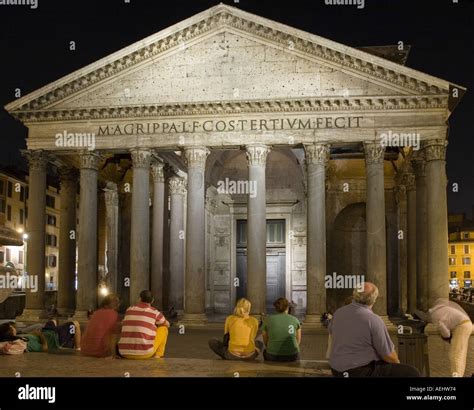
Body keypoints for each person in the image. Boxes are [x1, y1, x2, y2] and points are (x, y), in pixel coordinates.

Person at [329, 282, 420, 377]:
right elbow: (388, 355)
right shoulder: (373, 319)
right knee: (411, 372)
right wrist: (396, 363)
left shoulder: (338, 313)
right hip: (359, 371)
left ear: (354, 295)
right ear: (374, 299)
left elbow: (331, 331)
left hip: (336, 369)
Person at [415, 298, 473, 377]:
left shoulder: (434, 315)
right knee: (460, 351)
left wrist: (445, 337)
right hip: (465, 324)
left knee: (456, 353)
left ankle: (456, 374)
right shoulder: (439, 309)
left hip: (461, 326)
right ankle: (459, 373)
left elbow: (445, 331)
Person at [118, 290, 170, 359]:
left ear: (139, 299)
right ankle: (158, 355)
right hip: (144, 353)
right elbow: (167, 324)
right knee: (163, 328)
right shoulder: (154, 312)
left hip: (123, 352)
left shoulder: (129, 309)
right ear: (152, 301)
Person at [0, 320, 81, 352]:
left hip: (48, 331)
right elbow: (45, 348)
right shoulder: (24, 343)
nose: (14, 328)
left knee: (53, 321)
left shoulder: (18, 337)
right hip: (55, 337)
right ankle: (78, 348)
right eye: (12, 328)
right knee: (75, 324)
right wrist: (39, 334)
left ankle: (68, 338)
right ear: (9, 332)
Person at [261, 298, 301, 362]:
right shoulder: (295, 320)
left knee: (265, 352)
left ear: (276, 308)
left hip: (272, 355)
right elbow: (298, 341)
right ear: (287, 307)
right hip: (292, 355)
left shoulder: (268, 320)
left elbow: (265, 338)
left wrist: (270, 348)